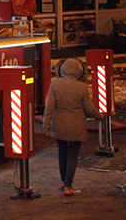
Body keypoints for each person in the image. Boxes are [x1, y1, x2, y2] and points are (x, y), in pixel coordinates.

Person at [43, 58, 104, 196]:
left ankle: (63, 180)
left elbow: (49, 107)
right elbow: (89, 109)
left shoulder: (55, 84)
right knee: (73, 155)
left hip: (59, 124)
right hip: (77, 126)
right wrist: (100, 116)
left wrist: (46, 124)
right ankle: (69, 185)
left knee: (62, 151)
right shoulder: (82, 87)